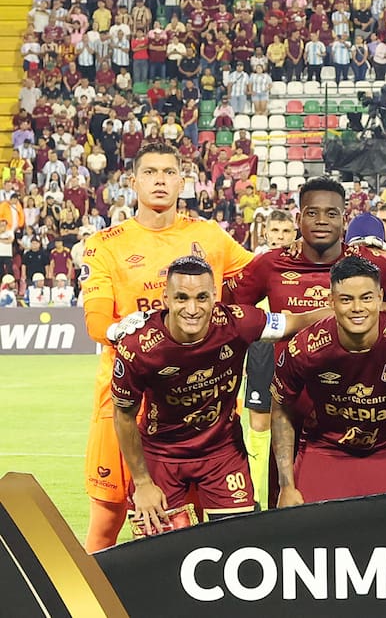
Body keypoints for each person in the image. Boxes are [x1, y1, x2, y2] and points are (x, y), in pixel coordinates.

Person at [81, 141, 255, 552]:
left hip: (196, 400)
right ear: (133, 181)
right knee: (108, 519)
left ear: (182, 181)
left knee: (201, 526)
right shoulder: (106, 243)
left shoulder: (208, 236)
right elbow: (96, 322)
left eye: (168, 172)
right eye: (150, 172)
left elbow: (263, 277)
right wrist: (131, 331)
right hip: (125, 401)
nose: (159, 180)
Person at [224, 179, 386, 506]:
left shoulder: (370, 264)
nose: (322, 221)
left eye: (331, 213)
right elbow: (226, 313)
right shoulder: (270, 264)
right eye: (312, 213)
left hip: (358, 417)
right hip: (290, 414)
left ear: (344, 219)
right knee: (291, 516)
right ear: (298, 218)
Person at [111, 256, 327, 535]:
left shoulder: (238, 322)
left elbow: (293, 323)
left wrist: (360, 310)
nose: (192, 309)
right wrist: (142, 483)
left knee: (239, 545)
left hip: (222, 454)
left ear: (215, 296)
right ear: (165, 299)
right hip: (161, 456)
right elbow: (123, 415)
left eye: (202, 297)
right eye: (181, 298)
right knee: (156, 555)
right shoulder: (137, 346)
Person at [270, 256, 386, 504]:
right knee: (307, 524)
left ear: (380, 298)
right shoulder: (304, 348)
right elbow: (281, 411)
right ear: (331, 301)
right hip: (325, 448)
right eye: (346, 299)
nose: (357, 308)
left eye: (366, 298)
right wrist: (286, 486)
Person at [234, 209, 296, 507]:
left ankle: (291, 490)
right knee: (259, 424)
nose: (280, 237)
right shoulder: (254, 266)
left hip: (295, 349)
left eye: (286, 231)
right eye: (275, 231)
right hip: (262, 350)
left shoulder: (303, 266)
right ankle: (255, 497)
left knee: (297, 421)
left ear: (294, 234)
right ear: (266, 233)